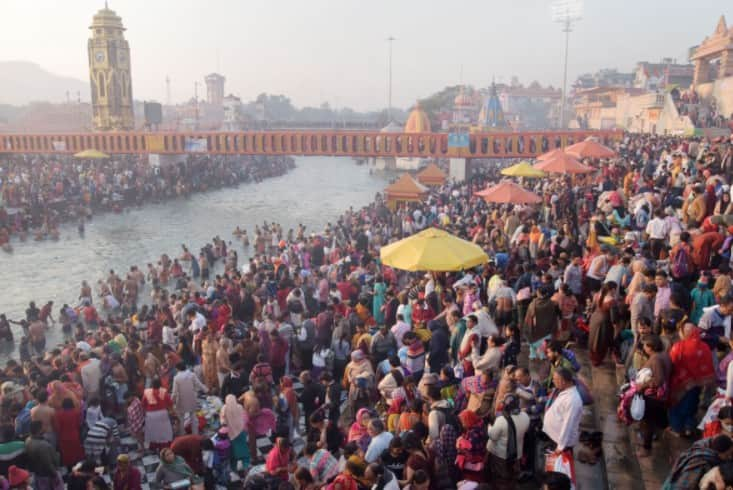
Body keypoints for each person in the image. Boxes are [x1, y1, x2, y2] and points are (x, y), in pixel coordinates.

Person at [487, 394, 530, 490]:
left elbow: (493, 436)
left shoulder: (501, 420)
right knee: (513, 476)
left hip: (501, 455)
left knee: (501, 478)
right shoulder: (525, 416)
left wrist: (489, 427)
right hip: (517, 454)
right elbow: (525, 431)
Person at [663, 435, 733, 489]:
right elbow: (687, 486)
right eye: (727, 455)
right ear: (717, 453)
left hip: (672, 480)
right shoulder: (703, 464)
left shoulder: (702, 446)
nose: (729, 457)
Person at [543, 369, 583, 460]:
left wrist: (560, 447)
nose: (553, 382)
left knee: (561, 464)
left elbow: (568, 424)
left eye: (555, 380)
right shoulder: (563, 390)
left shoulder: (573, 400)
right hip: (555, 436)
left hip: (561, 442)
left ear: (563, 382)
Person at [171, 362, 208, 435]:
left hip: (181, 400)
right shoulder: (192, 375)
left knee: (181, 418)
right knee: (193, 417)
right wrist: (207, 390)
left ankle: (182, 433)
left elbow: (174, 392)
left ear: (178, 369)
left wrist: (171, 401)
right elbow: (199, 384)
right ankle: (195, 433)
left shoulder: (176, 378)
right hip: (191, 399)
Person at [24, 421, 62, 490]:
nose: (44, 428)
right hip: (47, 476)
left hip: (37, 474)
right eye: (43, 426)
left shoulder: (28, 440)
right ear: (40, 430)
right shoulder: (43, 445)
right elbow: (48, 464)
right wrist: (55, 475)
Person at [219, 394, 250, 471]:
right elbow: (244, 417)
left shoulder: (224, 408)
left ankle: (234, 469)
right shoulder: (239, 406)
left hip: (231, 434)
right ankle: (246, 468)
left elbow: (223, 422)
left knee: (233, 454)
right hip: (241, 431)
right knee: (244, 450)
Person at [142, 378, 174, 451]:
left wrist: (146, 414)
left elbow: (143, 405)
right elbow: (170, 404)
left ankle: (154, 446)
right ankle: (164, 447)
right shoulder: (164, 392)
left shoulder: (147, 392)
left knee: (153, 431)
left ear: (152, 385)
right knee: (164, 431)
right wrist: (172, 413)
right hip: (162, 414)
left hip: (150, 415)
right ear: (160, 384)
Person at [53, 398, 84, 468]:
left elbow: (57, 428)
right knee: (75, 453)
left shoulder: (59, 414)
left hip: (63, 437)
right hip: (74, 436)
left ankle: (68, 469)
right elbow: (79, 424)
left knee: (66, 454)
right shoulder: (76, 412)